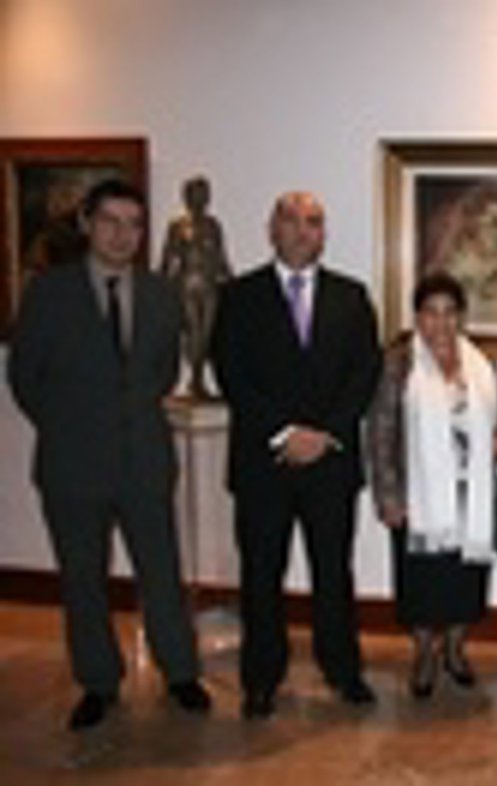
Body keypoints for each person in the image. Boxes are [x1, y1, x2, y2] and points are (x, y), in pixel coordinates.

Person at [7, 179, 211, 730]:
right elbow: (25, 377)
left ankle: (180, 672)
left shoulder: (161, 294)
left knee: (162, 572)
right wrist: (70, 426)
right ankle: (98, 682)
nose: (123, 235)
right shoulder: (49, 293)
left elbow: (162, 372)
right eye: (111, 222)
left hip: (144, 458)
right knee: (83, 579)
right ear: (86, 224)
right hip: (72, 464)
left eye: (134, 225)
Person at [212, 191, 381, 719]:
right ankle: (262, 677)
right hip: (264, 463)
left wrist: (324, 433)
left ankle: (343, 670)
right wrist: (285, 432)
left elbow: (365, 373)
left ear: (323, 233)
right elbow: (232, 374)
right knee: (262, 574)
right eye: (292, 220)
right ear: (272, 230)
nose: (304, 230)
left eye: (314, 222)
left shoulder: (351, 297)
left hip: (331, 462)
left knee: (334, 573)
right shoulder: (239, 296)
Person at [366, 272, 497, 699]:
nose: (441, 322)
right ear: (417, 317)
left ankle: (456, 648)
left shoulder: (482, 364)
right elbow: (380, 434)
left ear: (461, 317)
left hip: (471, 496)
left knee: (465, 580)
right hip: (418, 497)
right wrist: (388, 496)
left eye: (450, 312)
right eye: (431, 312)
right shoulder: (398, 364)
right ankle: (425, 654)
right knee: (422, 583)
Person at [159, 175, 232, 399]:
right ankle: (195, 380)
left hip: (209, 284)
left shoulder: (213, 225)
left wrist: (234, 284)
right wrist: (160, 287)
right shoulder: (177, 226)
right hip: (187, 283)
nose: (200, 199)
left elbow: (221, 257)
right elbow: (168, 258)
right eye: (195, 194)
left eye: (203, 195)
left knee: (208, 332)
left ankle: (199, 380)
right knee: (193, 332)